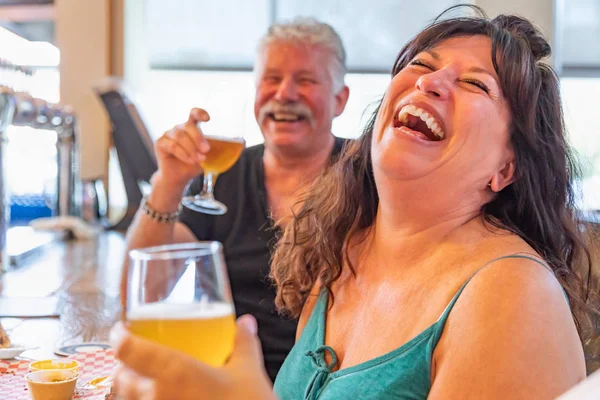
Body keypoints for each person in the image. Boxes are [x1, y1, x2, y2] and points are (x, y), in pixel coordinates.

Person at [111, 6, 599, 399]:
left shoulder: (514, 297)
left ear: (506, 169)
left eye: (474, 83)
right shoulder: (339, 250)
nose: (430, 82)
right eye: (422, 66)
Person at [121, 17, 350, 382]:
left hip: (336, 383)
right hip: (231, 377)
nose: (285, 93)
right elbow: (144, 289)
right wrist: (168, 183)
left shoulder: (367, 175)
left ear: (340, 100)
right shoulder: (225, 174)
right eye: (271, 79)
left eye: (305, 80)